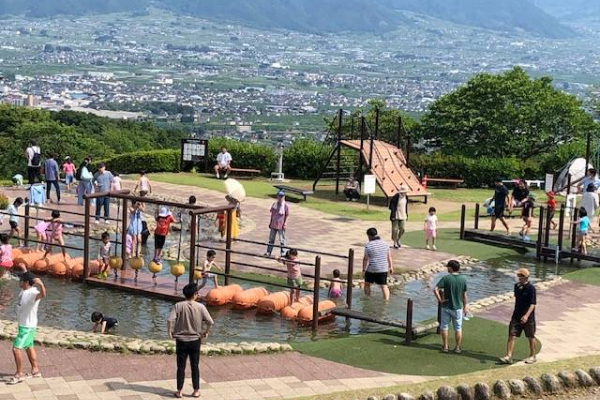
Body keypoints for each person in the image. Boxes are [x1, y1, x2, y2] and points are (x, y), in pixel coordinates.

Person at [167, 283, 214, 399]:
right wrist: (206, 332)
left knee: (180, 367)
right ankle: (196, 391)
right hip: (195, 340)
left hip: (181, 340)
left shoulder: (178, 306)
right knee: (195, 365)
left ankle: (179, 391)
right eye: (197, 293)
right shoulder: (201, 307)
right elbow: (210, 322)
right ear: (194, 294)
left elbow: (169, 320)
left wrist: (169, 332)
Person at [8, 272, 46, 385]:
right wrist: (24, 269)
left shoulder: (32, 292)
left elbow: (42, 295)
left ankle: (19, 374)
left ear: (26, 282)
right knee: (29, 346)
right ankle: (35, 370)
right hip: (24, 325)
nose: (19, 281)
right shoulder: (24, 291)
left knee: (16, 348)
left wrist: (41, 284)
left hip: (27, 327)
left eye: (21, 280)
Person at [499, 268, 538, 365]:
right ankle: (508, 356)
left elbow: (533, 304)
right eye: (518, 276)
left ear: (526, 277)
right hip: (516, 315)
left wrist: (526, 316)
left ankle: (532, 356)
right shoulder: (516, 286)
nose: (519, 278)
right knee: (511, 335)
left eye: (521, 276)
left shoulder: (531, 288)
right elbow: (517, 298)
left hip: (528, 317)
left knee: (530, 336)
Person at [434, 260, 468, 353]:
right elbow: (464, 295)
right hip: (458, 307)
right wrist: (465, 307)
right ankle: (457, 347)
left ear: (451, 268)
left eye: (447, 267)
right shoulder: (463, 279)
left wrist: (440, 300)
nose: (447, 268)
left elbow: (435, 289)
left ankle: (445, 346)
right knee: (458, 328)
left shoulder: (446, 278)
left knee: (444, 326)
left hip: (446, 306)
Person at [362, 228, 393, 301]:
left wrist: (364, 269)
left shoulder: (368, 246)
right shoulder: (385, 244)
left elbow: (365, 259)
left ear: (369, 236)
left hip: (372, 269)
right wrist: (391, 267)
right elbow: (389, 257)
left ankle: (368, 298)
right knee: (384, 286)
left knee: (367, 284)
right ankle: (386, 300)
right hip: (383, 268)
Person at [265, 190, 289, 257]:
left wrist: (285, 223)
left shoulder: (285, 206)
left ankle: (283, 252)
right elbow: (272, 214)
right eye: (279, 196)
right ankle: (268, 252)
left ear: (284, 197)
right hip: (273, 224)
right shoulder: (274, 204)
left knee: (282, 239)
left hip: (281, 225)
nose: (280, 198)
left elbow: (287, 215)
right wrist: (270, 222)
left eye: (282, 196)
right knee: (271, 239)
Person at [389, 185, 408, 249]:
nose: (405, 193)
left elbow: (405, 207)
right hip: (396, 215)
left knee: (403, 229)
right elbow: (391, 206)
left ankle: (398, 239)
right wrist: (393, 215)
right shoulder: (396, 196)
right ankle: (395, 242)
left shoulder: (406, 197)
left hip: (403, 215)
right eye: (404, 191)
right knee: (395, 230)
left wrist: (407, 214)